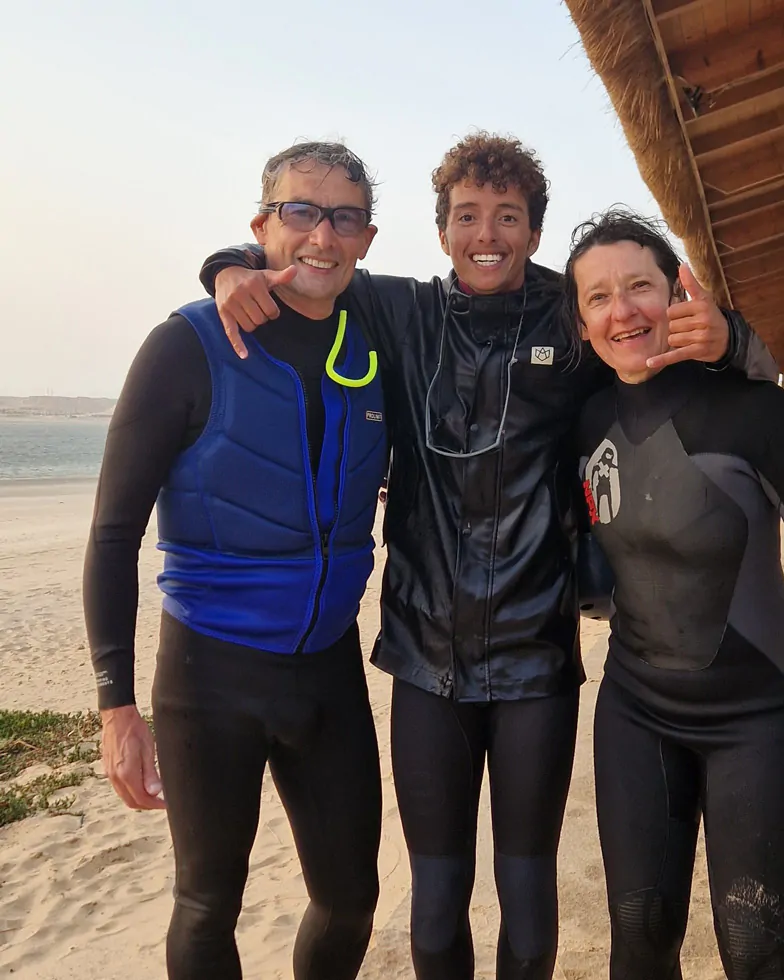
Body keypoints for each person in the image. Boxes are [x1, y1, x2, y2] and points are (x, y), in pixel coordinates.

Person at [198, 133, 771, 980]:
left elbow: (663, 366)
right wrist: (228, 266)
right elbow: (311, 264)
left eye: (508, 216)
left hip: (537, 656)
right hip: (425, 653)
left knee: (528, 895)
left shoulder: (571, 320)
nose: (487, 234)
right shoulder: (400, 313)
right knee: (434, 902)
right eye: (467, 216)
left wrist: (731, 340)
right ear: (442, 232)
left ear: (534, 232)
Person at [83, 141, 389, 980]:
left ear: (367, 239)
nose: (322, 235)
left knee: (351, 899)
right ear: (262, 226)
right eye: (301, 211)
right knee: (206, 903)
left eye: (345, 218)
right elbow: (112, 534)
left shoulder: (377, 345)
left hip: (327, 671)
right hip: (208, 676)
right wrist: (116, 708)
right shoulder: (186, 345)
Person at [569, 208, 784, 979]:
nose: (622, 311)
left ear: (679, 294)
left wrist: (743, 342)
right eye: (598, 297)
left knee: (756, 946)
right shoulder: (585, 418)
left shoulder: (753, 410)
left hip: (757, 718)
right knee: (640, 930)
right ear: (582, 322)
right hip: (636, 710)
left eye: (640, 287)